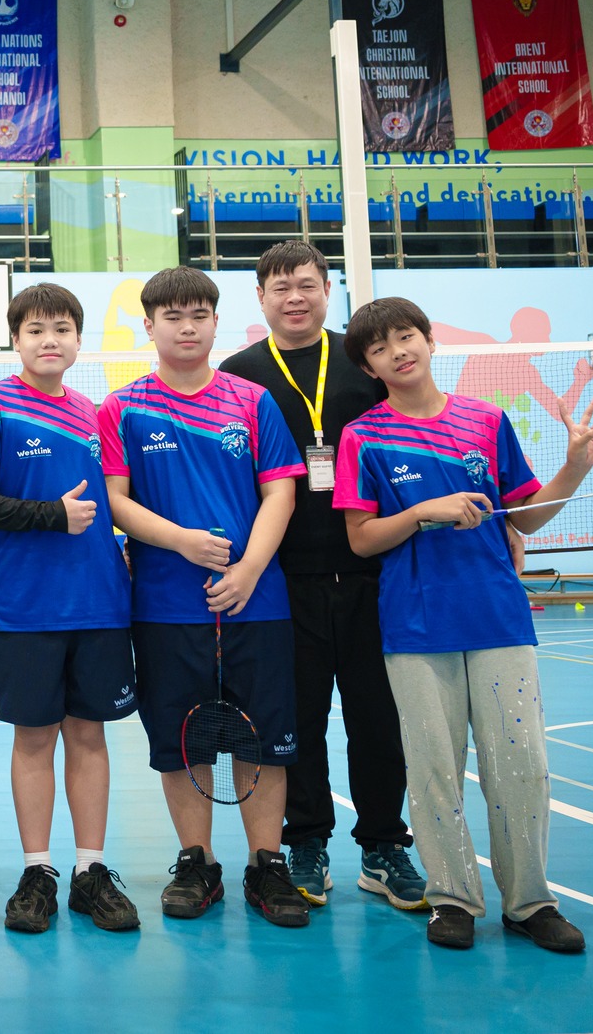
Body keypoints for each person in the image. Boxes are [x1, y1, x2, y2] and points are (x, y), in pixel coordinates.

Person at [335, 296, 593, 955]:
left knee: (522, 763)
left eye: (406, 336)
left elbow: (526, 517)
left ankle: (530, 901)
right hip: (414, 623)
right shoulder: (363, 436)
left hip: (497, 616)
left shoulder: (486, 419)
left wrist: (575, 465)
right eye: (380, 347)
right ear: (370, 366)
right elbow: (362, 539)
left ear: (428, 340)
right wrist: (425, 509)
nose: (398, 350)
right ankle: (452, 897)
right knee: (432, 768)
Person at [217, 242, 427, 909]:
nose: (295, 297)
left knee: (377, 718)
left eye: (307, 283)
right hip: (283, 578)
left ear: (327, 288)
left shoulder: (364, 362)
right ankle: (305, 839)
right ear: (261, 297)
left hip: (373, 572)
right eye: (280, 287)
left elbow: (413, 439)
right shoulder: (238, 375)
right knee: (297, 719)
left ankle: (384, 844)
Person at [98, 266, 308, 929]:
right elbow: (115, 498)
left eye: (198, 315)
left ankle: (266, 863)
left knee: (262, 739)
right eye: (173, 316)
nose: (186, 327)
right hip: (164, 604)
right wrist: (181, 541)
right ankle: (197, 860)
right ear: (150, 325)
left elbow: (281, 491)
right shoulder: (122, 406)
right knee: (182, 740)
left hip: (258, 600)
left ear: (216, 322)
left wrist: (248, 568)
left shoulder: (253, 400)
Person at [0, 282, 140, 937]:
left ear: (79, 340)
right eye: (35, 329)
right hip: (25, 607)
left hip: (100, 604)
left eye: (62, 327)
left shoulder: (97, 412)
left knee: (90, 734)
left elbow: (123, 500)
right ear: (15, 339)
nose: (49, 339)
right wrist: (49, 516)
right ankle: (39, 870)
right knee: (34, 738)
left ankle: (91, 869)